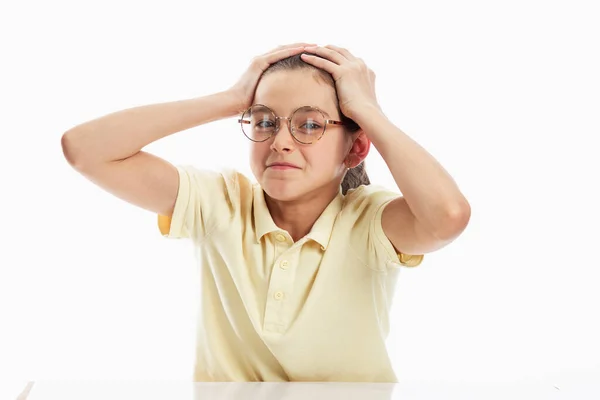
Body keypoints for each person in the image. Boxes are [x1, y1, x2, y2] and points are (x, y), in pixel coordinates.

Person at [61, 43, 471, 382]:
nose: (280, 142)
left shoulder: (369, 223)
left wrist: (368, 111)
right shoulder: (220, 202)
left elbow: (448, 215)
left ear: (355, 147)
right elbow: (85, 150)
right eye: (264, 121)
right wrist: (229, 100)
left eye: (309, 125)